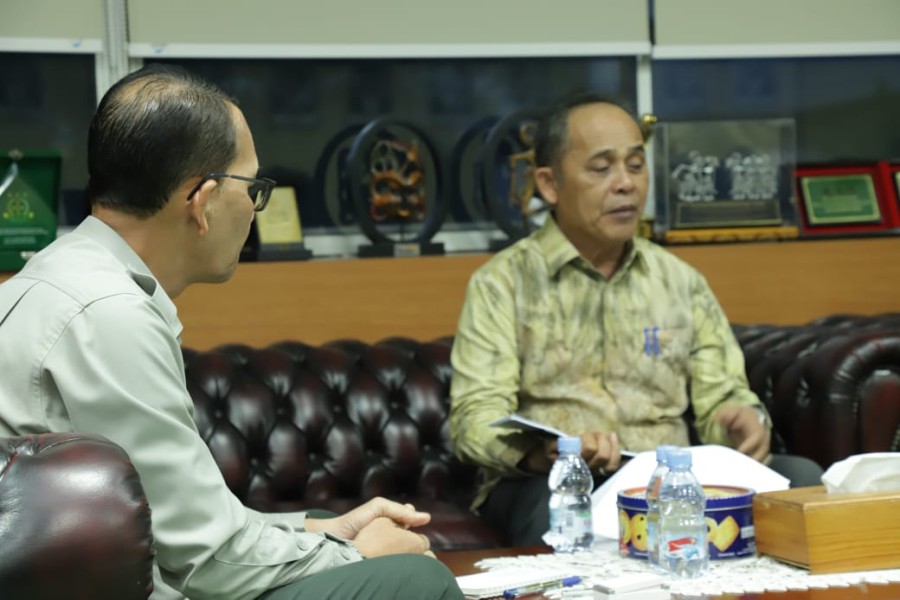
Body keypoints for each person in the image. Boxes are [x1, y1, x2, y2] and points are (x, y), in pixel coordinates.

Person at [0, 64, 462, 600]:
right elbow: (205, 558)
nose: (255, 209)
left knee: (353, 545)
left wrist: (324, 530)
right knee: (416, 580)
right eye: (254, 187)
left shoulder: (60, 276)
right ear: (203, 201)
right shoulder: (110, 315)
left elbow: (173, 522)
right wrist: (357, 553)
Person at [448, 91, 823, 547]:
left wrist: (738, 417)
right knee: (560, 510)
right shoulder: (502, 284)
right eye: (601, 168)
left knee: (803, 480)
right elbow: (475, 420)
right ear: (549, 184)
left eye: (635, 164)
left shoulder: (679, 280)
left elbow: (721, 394)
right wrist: (543, 453)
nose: (625, 184)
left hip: (669, 476)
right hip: (554, 478)